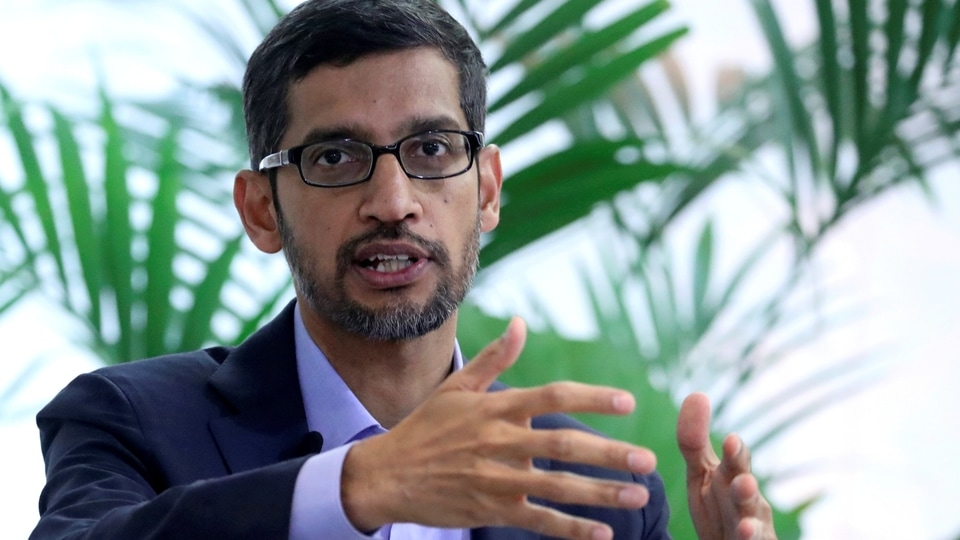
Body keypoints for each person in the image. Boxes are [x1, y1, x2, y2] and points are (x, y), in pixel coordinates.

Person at [31, 1, 776, 539]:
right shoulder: (127, 421)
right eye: (335, 158)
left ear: (485, 190)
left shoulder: (603, 495)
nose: (393, 203)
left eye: (430, 151)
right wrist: (359, 486)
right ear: (261, 210)